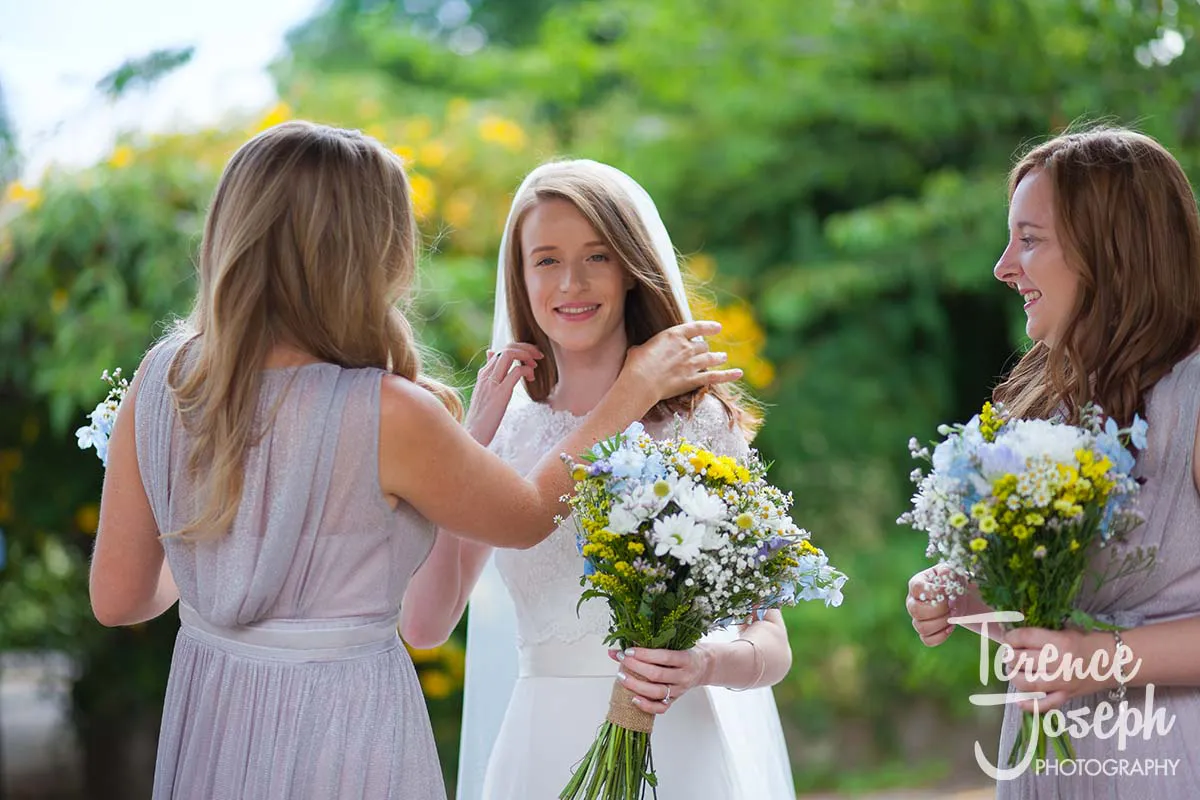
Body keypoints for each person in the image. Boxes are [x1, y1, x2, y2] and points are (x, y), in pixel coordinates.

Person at [87, 123, 740, 800]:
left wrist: (212, 573)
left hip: (214, 717)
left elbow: (121, 599)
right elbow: (523, 517)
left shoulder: (164, 378)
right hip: (343, 728)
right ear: (368, 251)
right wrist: (630, 393)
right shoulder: (387, 410)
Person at [400, 159, 796, 799]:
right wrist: (470, 442)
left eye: (597, 257)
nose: (572, 282)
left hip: (683, 749)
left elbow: (771, 642)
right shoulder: (500, 435)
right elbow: (423, 625)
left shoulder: (698, 425)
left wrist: (700, 664)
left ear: (631, 271)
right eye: (547, 260)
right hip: (540, 752)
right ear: (520, 278)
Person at [905, 126, 1200, 797]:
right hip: (1051, 764)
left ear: (1112, 251)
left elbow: (1094, 638)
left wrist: (1100, 658)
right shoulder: (1049, 407)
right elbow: (1061, 602)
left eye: (1029, 239)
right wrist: (969, 594)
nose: (1003, 267)